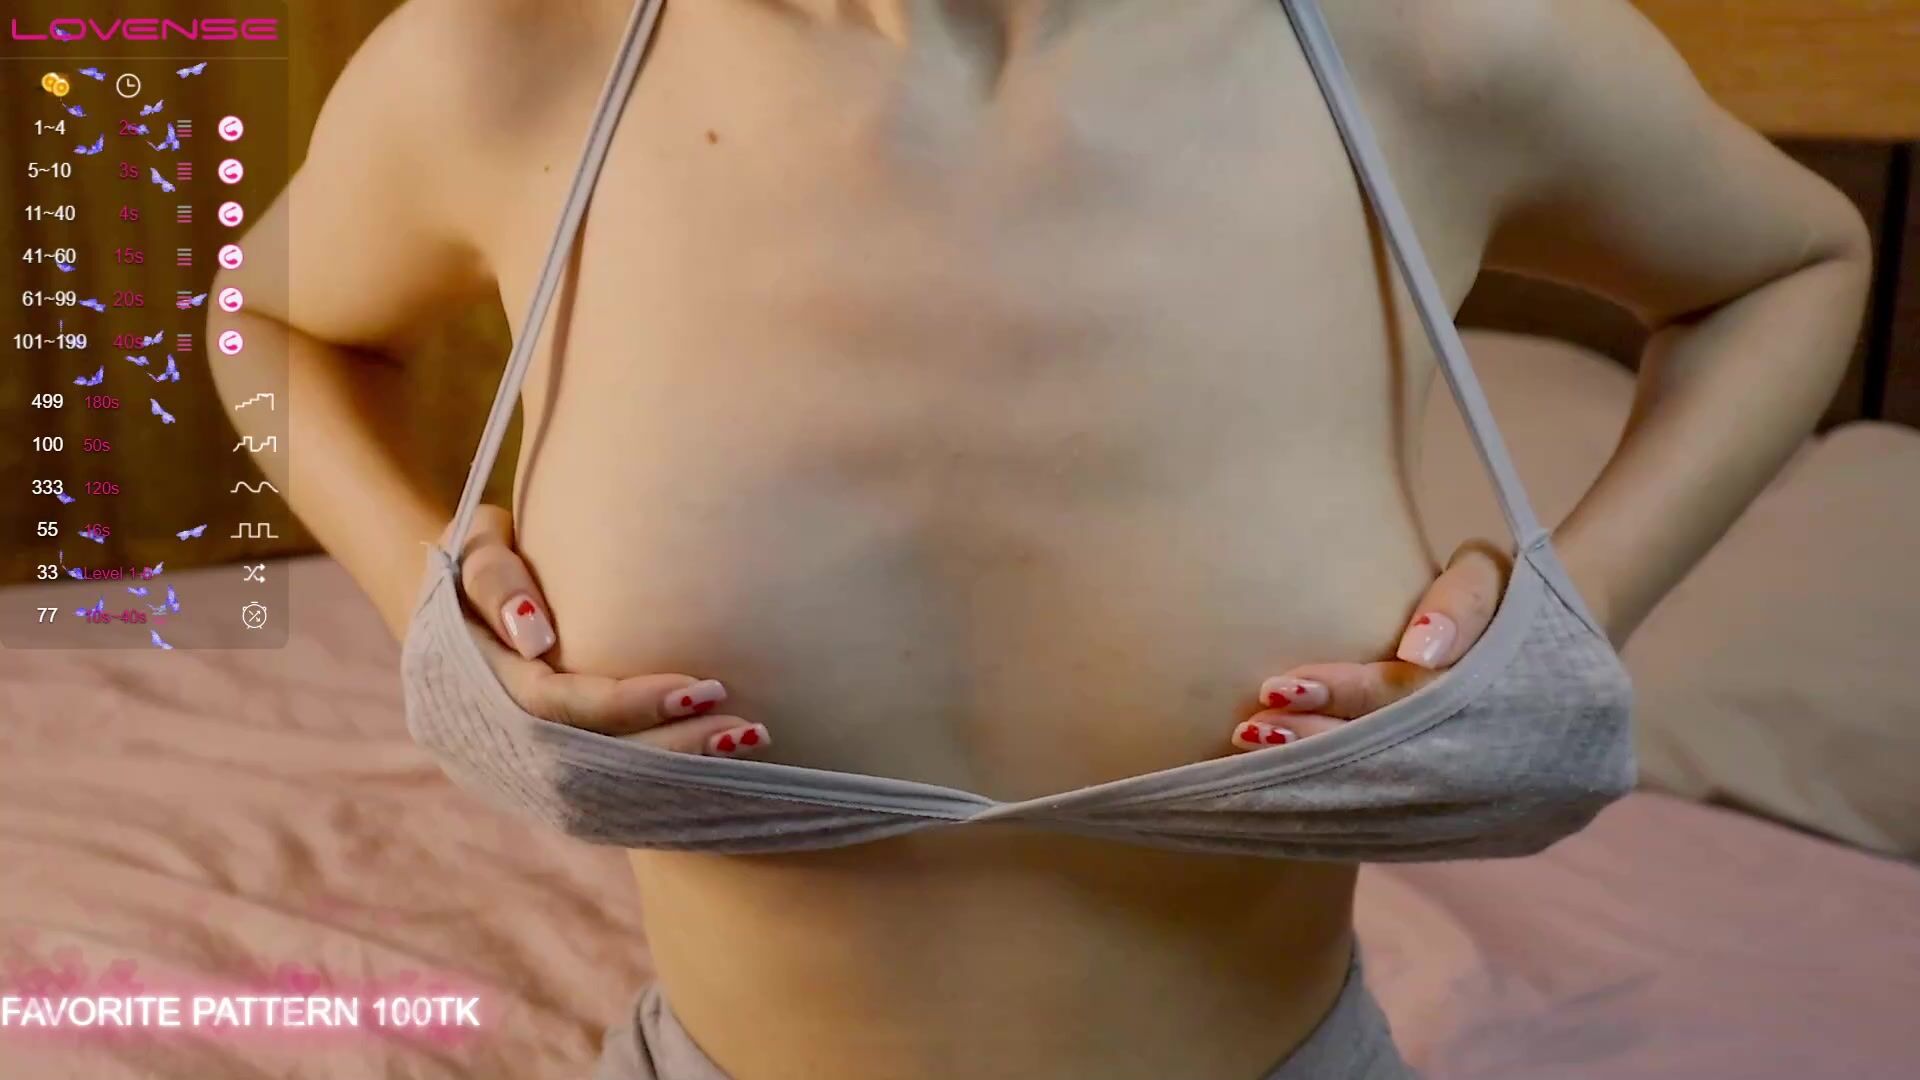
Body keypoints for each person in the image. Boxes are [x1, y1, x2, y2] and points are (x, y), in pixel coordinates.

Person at [211, 0, 1872, 1076]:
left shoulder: (1428, 46)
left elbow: (1794, 262)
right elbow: (263, 322)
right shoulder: (518, 56)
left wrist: (1574, 608)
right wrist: (426, 592)